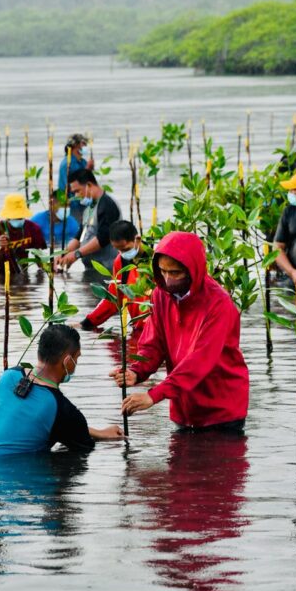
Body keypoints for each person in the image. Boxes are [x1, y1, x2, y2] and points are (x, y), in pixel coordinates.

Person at [110, 231, 249, 430]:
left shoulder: (219, 304)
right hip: (183, 409)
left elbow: (199, 361)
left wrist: (154, 395)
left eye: (175, 273)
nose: (168, 280)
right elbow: (153, 345)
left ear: (193, 269)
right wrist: (136, 371)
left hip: (222, 410)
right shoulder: (160, 295)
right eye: (163, 272)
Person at [0, 324, 124, 458]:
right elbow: (80, 444)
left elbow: (26, 418)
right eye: (77, 358)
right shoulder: (61, 409)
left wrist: (99, 432)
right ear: (68, 361)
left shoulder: (9, 376)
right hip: (5, 473)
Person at [80, 220, 151, 331]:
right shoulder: (120, 262)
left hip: (156, 330)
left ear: (137, 240)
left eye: (125, 249)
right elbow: (113, 299)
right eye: (118, 250)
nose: (122, 253)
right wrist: (87, 323)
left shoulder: (156, 259)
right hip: (137, 329)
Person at [56, 169, 121, 273]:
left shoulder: (107, 205)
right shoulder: (88, 209)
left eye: (77, 191)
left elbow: (103, 239)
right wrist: (63, 253)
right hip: (91, 270)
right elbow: (79, 237)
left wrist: (76, 254)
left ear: (89, 185)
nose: (76, 196)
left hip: (108, 270)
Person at [0, 193, 46, 274]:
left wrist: (46, 272)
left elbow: (38, 256)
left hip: (23, 272)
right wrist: (1, 248)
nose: (18, 219)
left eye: (20, 217)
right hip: (2, 275)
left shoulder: (33, 229)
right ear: (7, 217)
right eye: (15, 217)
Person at [58, 133, 94, 222]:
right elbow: (71, 187)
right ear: (75, 145)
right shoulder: (67, 164)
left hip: (84, 203)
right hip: (71, 205)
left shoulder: (83, 162)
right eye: (83, 143)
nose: (85, 145)